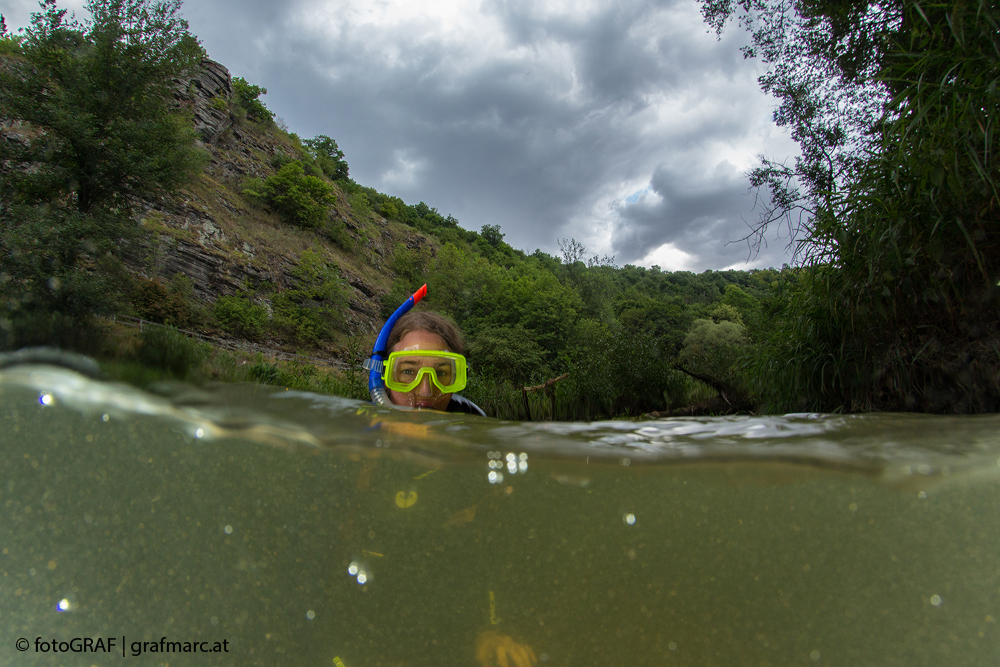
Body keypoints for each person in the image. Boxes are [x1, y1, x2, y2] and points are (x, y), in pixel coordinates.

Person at [366, 286, 486, 416]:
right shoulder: (359, 426)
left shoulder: (472, 424)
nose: (426, 392)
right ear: (384, 377)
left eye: (440, 373)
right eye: (408, 371)